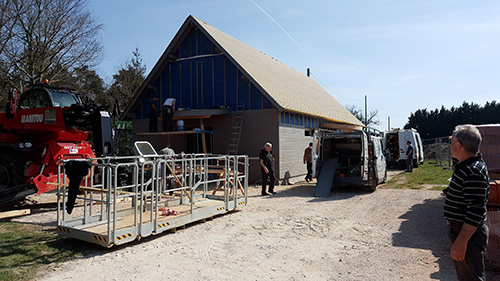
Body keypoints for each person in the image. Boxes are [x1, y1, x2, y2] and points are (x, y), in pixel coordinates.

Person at [443, 125, 489, 281]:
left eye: (452, 142)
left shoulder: (472, 170)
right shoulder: (467, 167)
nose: (450, 146)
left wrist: (461, 241)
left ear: (459, 145)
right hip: (462, 231)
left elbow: (476, 211)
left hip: (467, 234)